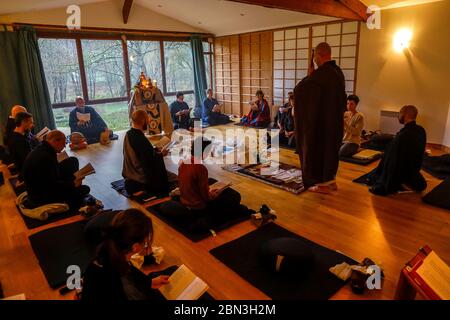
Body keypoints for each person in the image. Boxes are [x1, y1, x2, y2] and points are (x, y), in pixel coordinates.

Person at [81, 208, 175, 301]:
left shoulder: (109, 251)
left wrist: (150, 283)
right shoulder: (119, 281)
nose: (147, 246)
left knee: (174, 271)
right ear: (135, 247)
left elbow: (132, 273)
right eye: (145, 242)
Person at [294, 42, 347, 194]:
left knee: (319, 151)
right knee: (331, 151)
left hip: (322, 123)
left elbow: (300, 90)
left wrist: (308, 77)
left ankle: (323, 185)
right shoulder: (337, 72)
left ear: (319, 55)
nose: (315, 61)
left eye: (315, 57)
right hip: (335, 121)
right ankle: (331, 182)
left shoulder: (321, 75)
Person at [22, 130, 90, 209]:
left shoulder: (43, 148)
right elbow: (51, 186)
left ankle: (74, 184)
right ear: (55, 141)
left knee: (72, 161)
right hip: (41, 197)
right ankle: (73, 192)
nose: (65, 146)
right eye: (64, 143)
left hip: (41, 186)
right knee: (85, 189)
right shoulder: (45, 158)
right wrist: (72, 184)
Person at [368, 105, 427, 196]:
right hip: (413, 171)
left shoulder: (402, 136)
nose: (398, 116)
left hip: (401, 172)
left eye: (400, 113)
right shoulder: (421, 130)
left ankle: (401, 181)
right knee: (422, 185)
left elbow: (392, 162)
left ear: (406, 115)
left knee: (374, 175)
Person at [178, 137, 242, 217]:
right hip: (197, 206)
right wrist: (213, 194)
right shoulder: (201, 168)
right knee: (235, 196)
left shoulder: (183, 162)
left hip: (184, 200)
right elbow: (206, 198)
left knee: (211, 180)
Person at [122, 110, 174, 196]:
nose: (148, 122)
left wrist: (154, 150)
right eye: (147, 120)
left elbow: (141, 154)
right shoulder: (140, 139)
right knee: (174, 178)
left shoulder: (128, 134)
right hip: (140, 178)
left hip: (129, 174)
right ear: (143, 121)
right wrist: (161, 154)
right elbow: (149, 164)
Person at [7, 112, 34, 176]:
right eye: (31, 123)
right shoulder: (18, 140)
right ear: (23, 122)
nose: (33, 125)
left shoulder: (18, 136)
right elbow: (29, 160)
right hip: (29, 174)